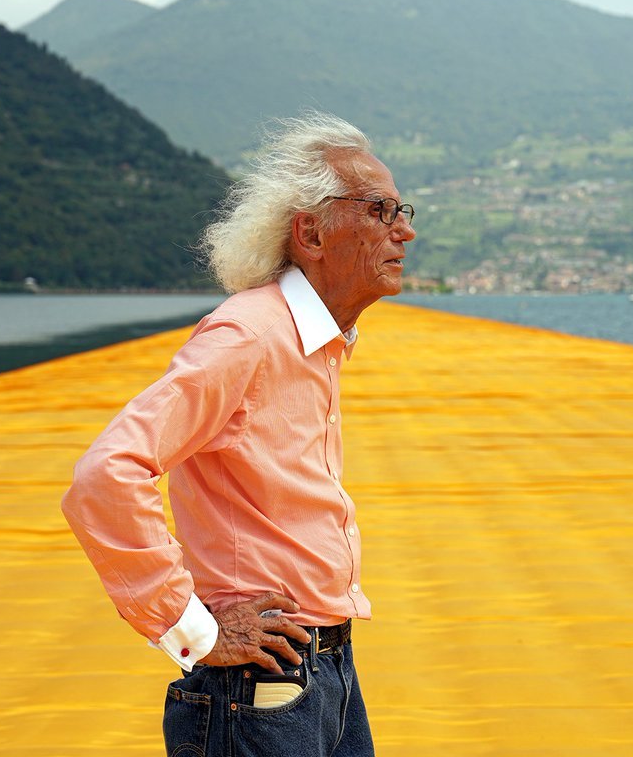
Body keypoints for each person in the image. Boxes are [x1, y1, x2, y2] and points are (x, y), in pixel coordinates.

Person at [60, 111, 415, 757]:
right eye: (380, 211)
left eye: (402, 211)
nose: (405, 231)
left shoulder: (318, 343)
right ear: (310, 231)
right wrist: (192, 629)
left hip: (326, 673)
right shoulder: (247, 335)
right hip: (258, 691)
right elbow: (106, 474)